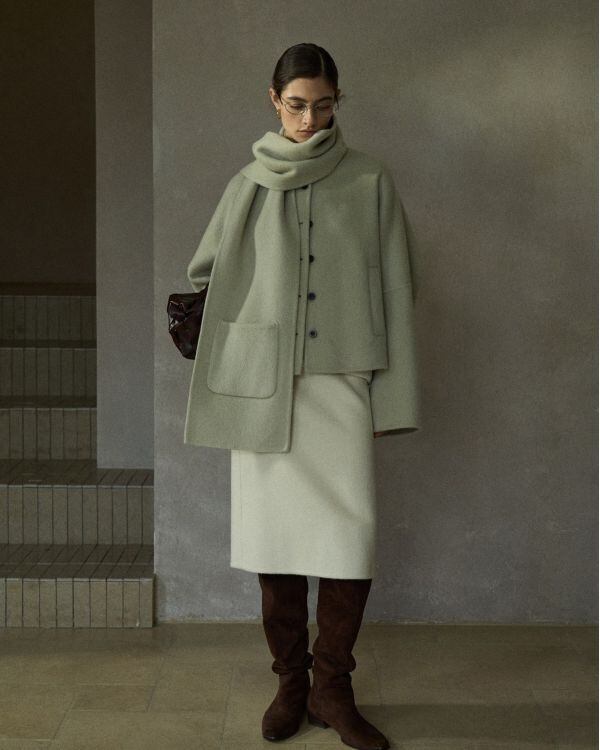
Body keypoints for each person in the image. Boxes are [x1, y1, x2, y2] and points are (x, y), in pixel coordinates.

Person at [185, 43, 421, 750]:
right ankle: (291, 684)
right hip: (266, 388)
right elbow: (206, 271)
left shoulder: (370, 180)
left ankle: (332, 688)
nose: (309, 120)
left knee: (349, 541)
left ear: (337, 101)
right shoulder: (248, 184)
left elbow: (398, 291)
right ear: (273, 100)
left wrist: (392, 399)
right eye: (296, 105)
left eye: (323, 105)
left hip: (342, 383)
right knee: (275, 542)